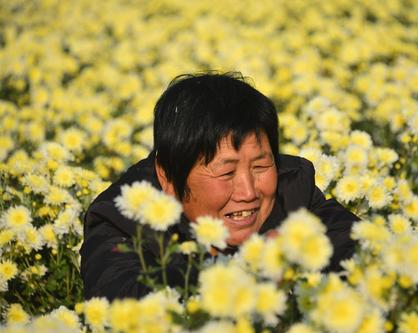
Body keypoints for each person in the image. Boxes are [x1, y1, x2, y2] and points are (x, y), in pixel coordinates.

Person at [80, 72, 359, 300]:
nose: (249, 192)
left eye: (260, 166)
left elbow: (364, 254)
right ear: (167, 177)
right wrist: (249, 274)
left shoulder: (293, 189)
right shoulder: (123, 220)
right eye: (226, 172)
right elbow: (127, 308)